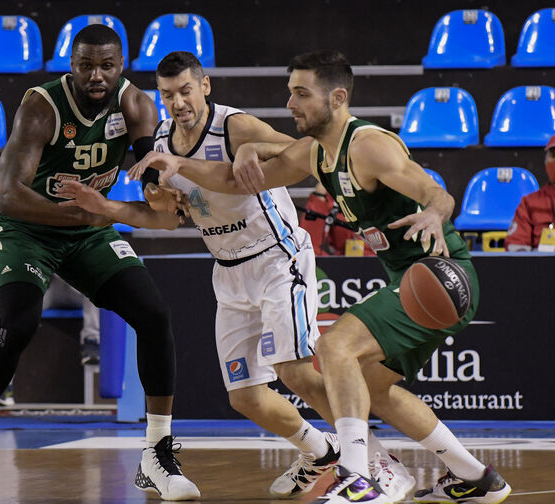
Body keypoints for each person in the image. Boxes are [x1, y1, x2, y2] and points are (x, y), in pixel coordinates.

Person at [134, 50, 512, 504]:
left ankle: (359, 477)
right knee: (371, 389)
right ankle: (476, 478)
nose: (290, 103)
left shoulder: (367, 144)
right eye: (290, 92)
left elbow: (434, 190)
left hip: (442, 275)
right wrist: (180, 165)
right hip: (412, 280)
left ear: (336, 97)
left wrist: (434, 212)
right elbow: (239, 182)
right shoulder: (316, 153)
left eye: (300, 93)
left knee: (334, 348)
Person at [60, 51, 415, 501]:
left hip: (277, 258)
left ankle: (377, 466)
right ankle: (321, 452)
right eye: (167, 94)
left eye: (186, 91)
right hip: (227, 270)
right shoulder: (162, 142)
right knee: (245, 396)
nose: (178, 102)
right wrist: (105, 209)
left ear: (204, 86)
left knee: (296, 372)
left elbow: (303, 151)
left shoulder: (234, 125)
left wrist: (251, 148)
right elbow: (168, 220)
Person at [0, 25, 199, 503]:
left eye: (107, 66)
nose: (97, 75)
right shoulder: (41, 105)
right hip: (27, 230)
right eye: (86, 65)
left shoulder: (135, 104)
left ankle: (157, 450)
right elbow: (9, 196)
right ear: (71, 65)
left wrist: (159, 191)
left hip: (88, 229)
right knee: (19, 323)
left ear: (121, 65)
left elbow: (145, 170)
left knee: (154, 314)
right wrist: (78, 212)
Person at [0, 274, 100, 406]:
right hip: (49, 288)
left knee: (98, 275)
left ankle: (92, 339)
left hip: (79, 291)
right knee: (6, 294)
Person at [301, 182, 374, 256]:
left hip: (381, 263)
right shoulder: (333, 198)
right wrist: (319, 197)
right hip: (345, 263)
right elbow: (310, 247)